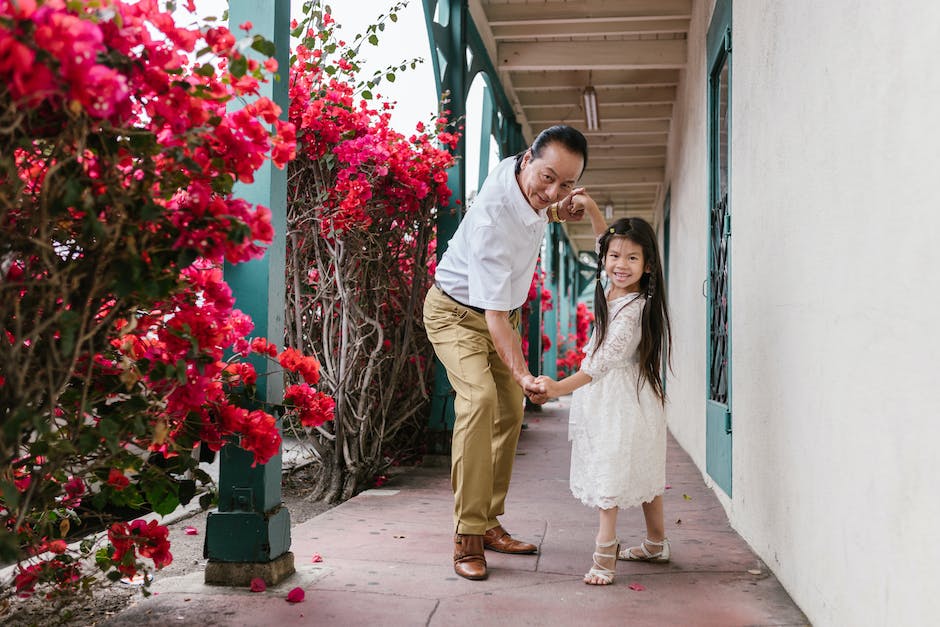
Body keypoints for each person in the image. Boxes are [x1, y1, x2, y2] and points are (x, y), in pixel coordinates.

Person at [423, 125, 589, 581]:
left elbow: (537, 210)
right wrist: (522, 373)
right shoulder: (494, 217)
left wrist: (557, 212)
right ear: (527, 160)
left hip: (498, 315)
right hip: (456, 314)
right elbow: (494, 317)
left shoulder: (523, 176)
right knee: (479, 400)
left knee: (510, 413)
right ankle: (467, 536)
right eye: (548, 178)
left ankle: (488, 521)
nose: (553, 191)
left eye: (567, 184)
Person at [535, 197, 673, 586]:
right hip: (608, 394)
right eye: (615, 257)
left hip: (623, 396)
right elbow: (602, 243)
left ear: (648, 266)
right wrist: (594, 209)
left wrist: (558, 387)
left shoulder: (636, 307)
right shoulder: (608, 284)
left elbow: (601, 364)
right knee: (639, 468)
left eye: (632, 259)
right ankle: (657, 543)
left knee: (615, 471)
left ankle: (605, 552)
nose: (620, 265)